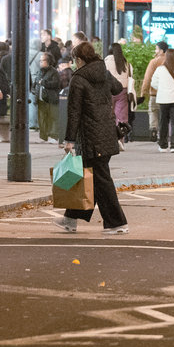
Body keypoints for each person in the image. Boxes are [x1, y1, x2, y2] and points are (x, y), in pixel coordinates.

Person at [55, 41, 127, 234]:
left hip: (90, 136)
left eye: (74, 60)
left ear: (79, 59)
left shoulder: (78, 79)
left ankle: (116, 223)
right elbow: (118, 87)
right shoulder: (103, 71)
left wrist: (69, 140)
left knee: (100, 181)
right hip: (107, 133)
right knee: (90, 178)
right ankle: (70, 219)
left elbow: (74, 112)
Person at [148, 49, 174, 152]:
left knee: (163, 122)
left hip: (163, 99)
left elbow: (153, 84)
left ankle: (163, 145)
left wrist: (162, 88)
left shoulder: (160, 69)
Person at [105, 43, 134, 141]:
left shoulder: (106, 62)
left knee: (108, 116)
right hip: (123, 91)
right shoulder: (126, 63)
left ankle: (109, 140)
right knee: (121, 117)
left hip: (109, 91)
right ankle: (120, 140)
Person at [35, 53, 62, 143]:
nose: (40, 62)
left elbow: (56, 84)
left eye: (42, 60)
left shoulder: (54, 72)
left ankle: (53, 136)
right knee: (42, 119)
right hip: (40, 99)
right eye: (40, 60)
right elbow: (36, 83)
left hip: (51, 99)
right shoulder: (40, 71)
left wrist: (43, 82)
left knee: (52, 118)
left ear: (48, 61)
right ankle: (43, 137)